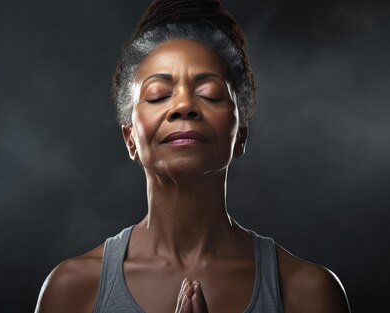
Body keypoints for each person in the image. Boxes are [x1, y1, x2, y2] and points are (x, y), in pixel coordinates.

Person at [35, 0, 351, 312]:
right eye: (158, 95)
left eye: (210, 94)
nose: (184, 105)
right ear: (130, 138)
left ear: (240, 135)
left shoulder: (307, 292)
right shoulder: (74, 289)